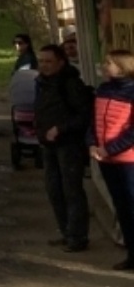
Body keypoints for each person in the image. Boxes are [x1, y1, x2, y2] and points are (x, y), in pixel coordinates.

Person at [36, 43, 95, 252]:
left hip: (68, 144)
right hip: (49, 144)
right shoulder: (44, 83)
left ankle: (77, 236)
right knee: (54, 189)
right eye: (41, 61)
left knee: (71, 190)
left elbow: (83, 114)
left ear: (60, 62)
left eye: (48, 61)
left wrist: (61, 128)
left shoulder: (70, 84)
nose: (44, 66)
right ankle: (67, 231)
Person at [89, 48, 134, 271]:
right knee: (121, 207)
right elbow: (93, 121)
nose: (104, 66)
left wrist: (110, 149)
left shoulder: (132, 92)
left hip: (128, 160)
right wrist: (93, 144)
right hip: (106, 159)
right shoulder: (103, 90)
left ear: (122, 66)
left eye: (109, 63)